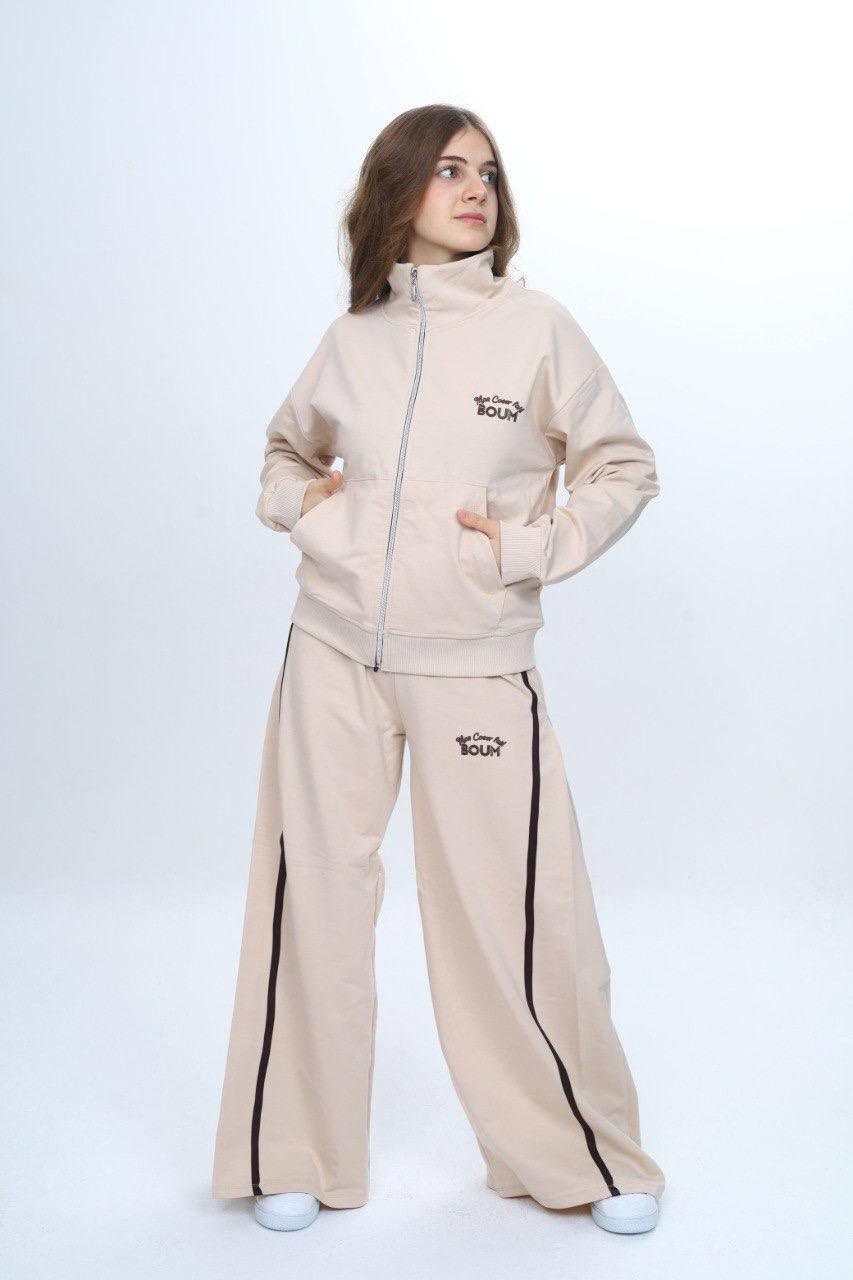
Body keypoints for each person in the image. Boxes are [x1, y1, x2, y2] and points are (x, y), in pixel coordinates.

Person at [211, 104, 666, 1237]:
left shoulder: (537, 328)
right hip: (331, 652)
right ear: (399, 187)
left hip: (472, 662)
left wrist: (521, 550)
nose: (475, 191)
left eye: (489, 174)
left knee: (513, 909)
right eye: (450, 170)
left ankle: (577, 1152)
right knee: (311, 894)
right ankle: (294, 1149)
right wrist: (307, 509)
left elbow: (621, 467)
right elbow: (284, 453)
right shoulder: (353, 335)